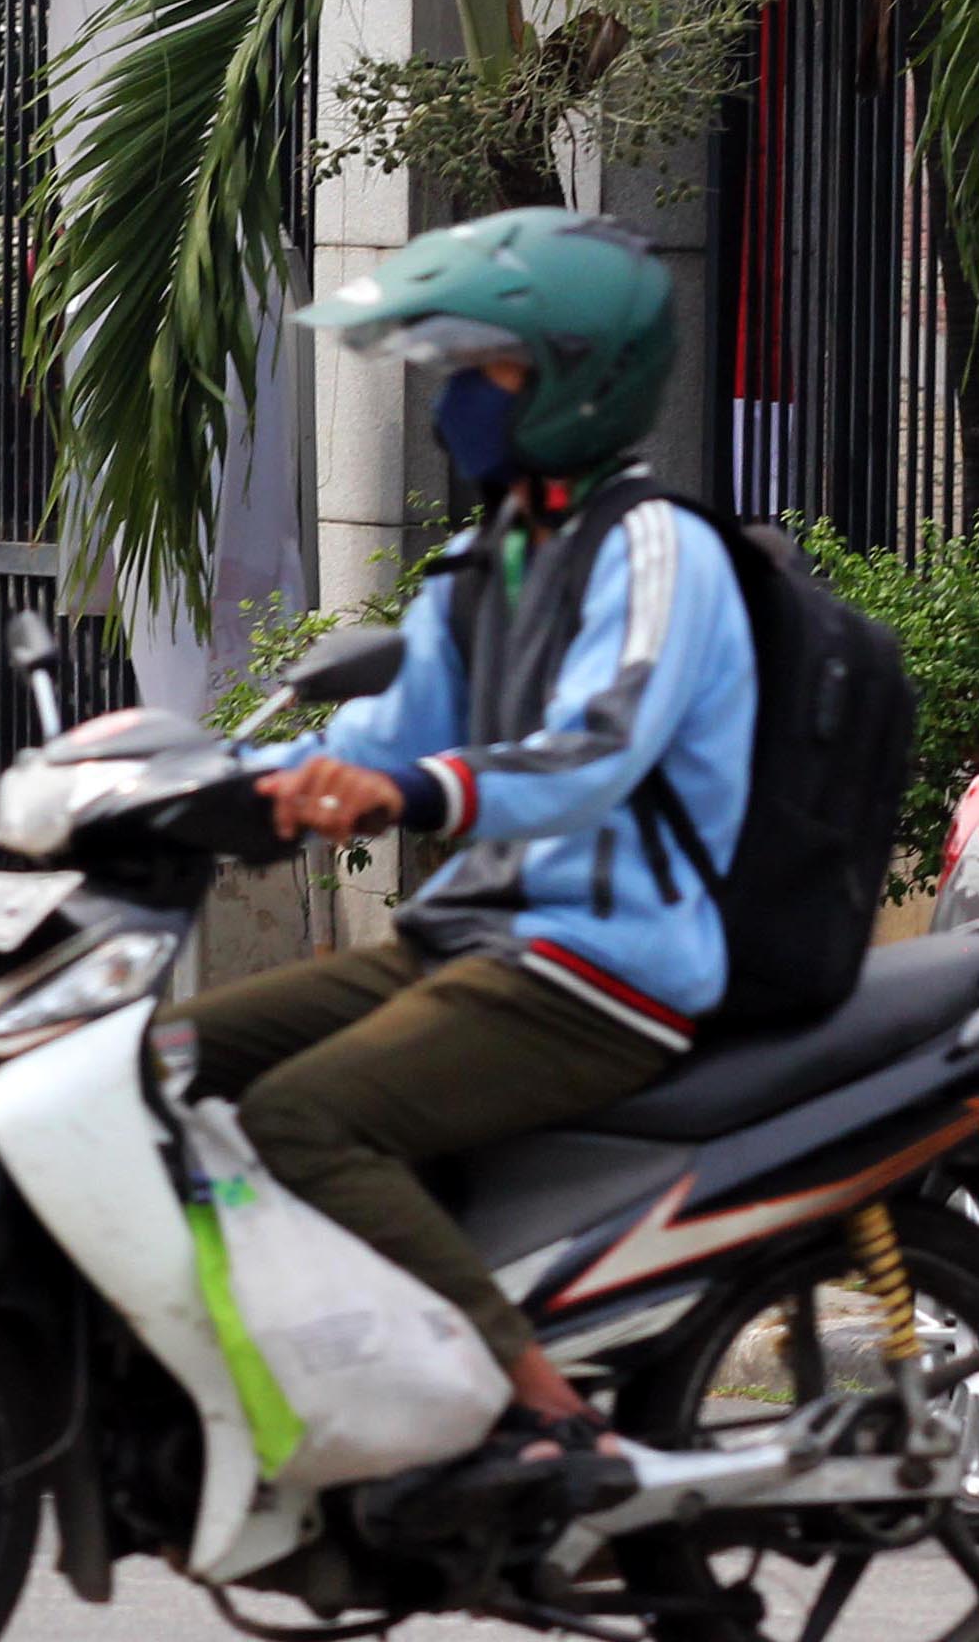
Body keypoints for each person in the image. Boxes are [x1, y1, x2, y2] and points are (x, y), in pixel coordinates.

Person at [188, 206, 752, 1501]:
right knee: (158, 1061)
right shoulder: (479, 559)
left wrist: (406, 790)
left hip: (603, 965)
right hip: (470, 942)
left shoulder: (659, 552)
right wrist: (171, 782)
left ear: (575, 380)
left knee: (300, 1117)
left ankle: (542, 1413)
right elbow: (378, 737)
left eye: (483, 372)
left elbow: (593, 751)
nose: (455, 402)